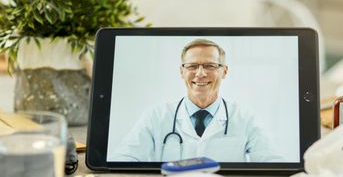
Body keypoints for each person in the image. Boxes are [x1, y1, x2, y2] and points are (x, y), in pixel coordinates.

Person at [110, 39, 283, 163]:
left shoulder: (245, 117)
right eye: (192, 66)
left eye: (210, 66)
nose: (200, 73)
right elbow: (124, 158)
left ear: (224, 71)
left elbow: (274, 162)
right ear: (181, 72)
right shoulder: (156, 115)